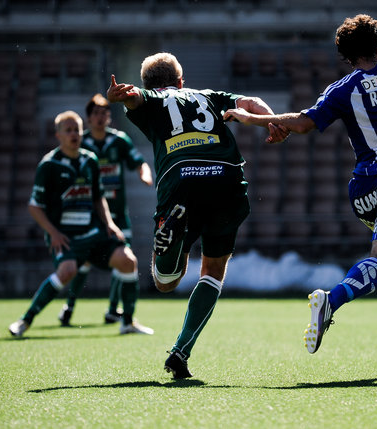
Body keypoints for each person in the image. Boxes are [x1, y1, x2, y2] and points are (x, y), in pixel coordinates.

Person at [224, 14, 377, 358]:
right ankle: (332, 300)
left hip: (364, 190)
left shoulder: (344, 89)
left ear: (346, 55)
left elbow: (303, 123)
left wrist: (254, 119)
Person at [106, 52, 287, 379]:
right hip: (227, 177)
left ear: (152, 83)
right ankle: (182, 350)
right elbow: (252, 102)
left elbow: (135, 99)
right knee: (214, 269)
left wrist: (121, 96)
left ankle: (172, 241)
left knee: (165, 282)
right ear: (180, 81)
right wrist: (272, 122)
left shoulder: (153, 98)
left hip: (182, 179)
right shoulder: (208, 96)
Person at [8, 111, 153, 337]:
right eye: (68, 130)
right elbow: (35, 207)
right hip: (65, 235)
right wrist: (53, 233)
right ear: (58, 135)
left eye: (76, 129)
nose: (74, 134)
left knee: (128, 261)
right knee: (68, 270)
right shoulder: (49, 165)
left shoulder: (89, 160)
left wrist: (109, 223)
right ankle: (24, 322)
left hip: (93, 232)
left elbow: (98, 197)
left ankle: (127, 322)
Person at [58, 93, 154, 327]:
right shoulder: (80, 143)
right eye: (96, 114)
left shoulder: (119, 140)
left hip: (118, 215)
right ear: (88, 119)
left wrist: (145, 173)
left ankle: (113, 309)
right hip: (89, 215)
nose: (101, 118)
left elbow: (138, 161)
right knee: (85, 262)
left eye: (105, 113)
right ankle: (70, 305)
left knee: (124, 258)